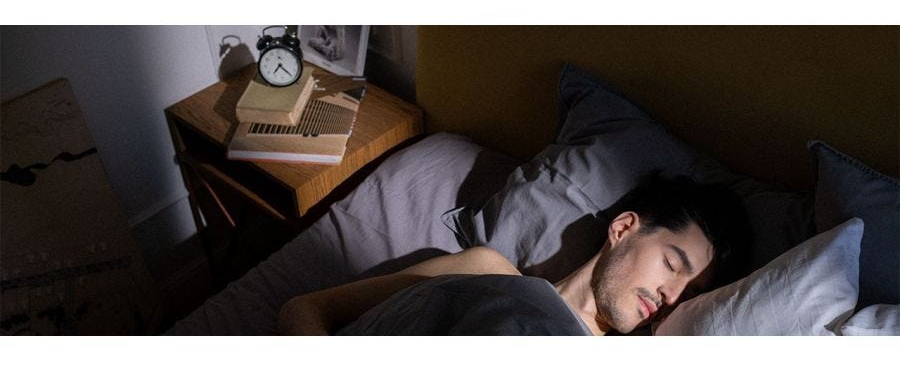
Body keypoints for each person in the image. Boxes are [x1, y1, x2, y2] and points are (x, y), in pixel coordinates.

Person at [278, 175, 751, 336]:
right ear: (624, 228)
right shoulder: (485, 269)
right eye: (673, 265)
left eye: (689, 292)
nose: (671, 296)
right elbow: (306, 309)